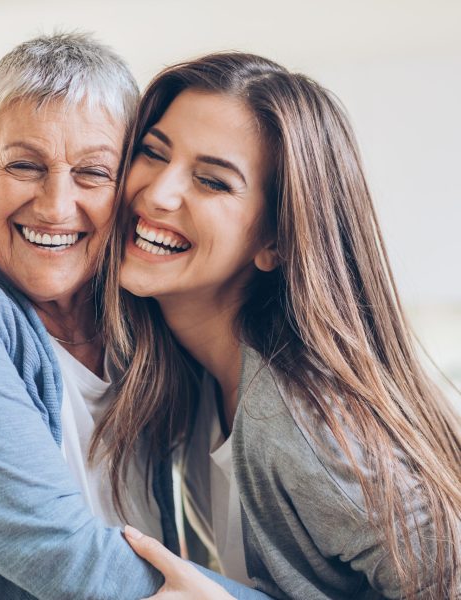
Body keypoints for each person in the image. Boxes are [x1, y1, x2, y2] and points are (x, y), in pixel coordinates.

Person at [0, 35, 262, 600]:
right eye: (24, 165)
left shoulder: (142, 320)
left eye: (93, 173)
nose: (55, 205)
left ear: (128, 188)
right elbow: (60, 552)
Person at [98, 52, 461, 599]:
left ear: (275, 241)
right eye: (152, 153)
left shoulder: (304, 422)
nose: (157, 193)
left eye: (213, 182)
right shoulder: (193, 381)